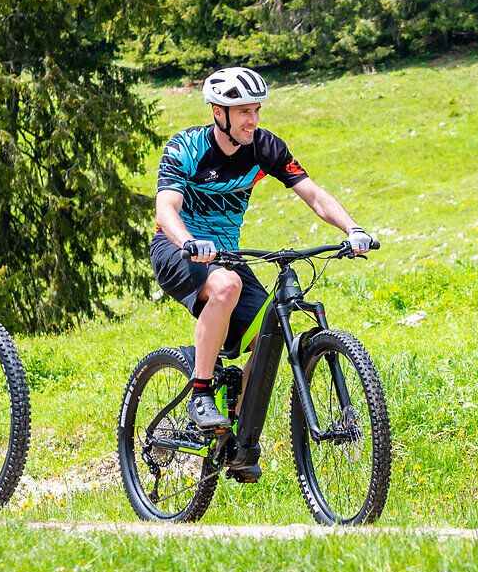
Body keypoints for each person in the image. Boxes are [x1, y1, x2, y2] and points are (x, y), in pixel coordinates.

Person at [151, 66, 372, 479]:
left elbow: (313, 193)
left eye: (255, 110)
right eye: (243, 112)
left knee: (268, 330)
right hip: (176, 248)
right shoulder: (186, 147)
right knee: (226, 284)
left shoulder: (265, 147)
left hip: (227, 255)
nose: (252, 119)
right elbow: (167, 209)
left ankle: (237, 438)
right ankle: (200, 392)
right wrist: (188, 242)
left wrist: (352, 228)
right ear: (219, 113)